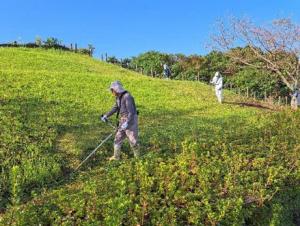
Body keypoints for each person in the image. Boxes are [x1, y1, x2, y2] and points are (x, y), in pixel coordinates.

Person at [101, 81, 139, 160]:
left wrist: (127, 123)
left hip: (131, 120)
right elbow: (115, 108)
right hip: (123, 120)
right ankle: (116, 157)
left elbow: (131, 112)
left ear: (116, 89)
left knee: (132, 141)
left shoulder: (127, 97)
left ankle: (137, 159)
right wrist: (106, 115)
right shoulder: (118, 97)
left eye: (112, 90)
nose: (111, 92)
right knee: (117, 138)